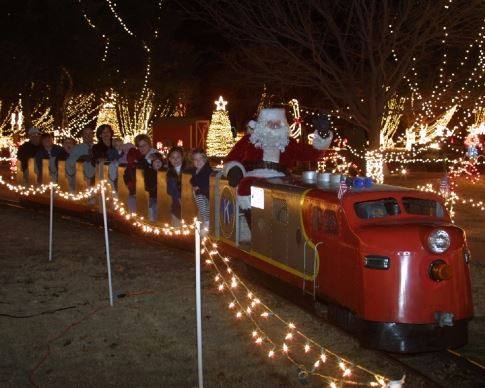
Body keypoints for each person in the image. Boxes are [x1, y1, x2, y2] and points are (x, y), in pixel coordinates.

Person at [124, 134, 163, 220]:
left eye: (144, 145)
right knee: (130, 200)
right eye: (139, 146)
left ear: (149, 144)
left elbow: (152, 176)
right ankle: (136, 225)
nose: (142, 148)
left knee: (145, 207)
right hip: (141, 190)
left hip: (154, 193)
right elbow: (129, 172)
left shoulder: (155, 156)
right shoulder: (139, 157)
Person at [190, 148, 212, 233]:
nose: (198, 161)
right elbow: (193, 180)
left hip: (207, 194)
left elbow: (207, 183)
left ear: (205, 159)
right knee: (202, 207)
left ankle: (207, 221)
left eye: (200, 159)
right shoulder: (196, 171)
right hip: (201, 194)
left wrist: (199, 187)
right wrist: (195, 186)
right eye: (196, 159)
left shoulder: (207, 170)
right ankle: (206, 220)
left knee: (205, 207)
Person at [66, 126, 95, 191]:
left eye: (90, 133)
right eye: (86, 133)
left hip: (96, 178)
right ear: (82, 135)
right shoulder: (77, 148)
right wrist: (80, 158)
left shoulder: (97, 147)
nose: (88, 135)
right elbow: (70, 162)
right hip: (82, 179)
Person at [166, 146, 185, 226]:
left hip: (186, 199)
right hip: (175, 201)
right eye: (173, 158)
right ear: (169, 159)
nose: (176, 160)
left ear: (182, 158)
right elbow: (170, 190)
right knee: (176, 221)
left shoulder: (187, 170)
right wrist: (178, 197)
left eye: (178, 157)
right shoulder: (169, 173)